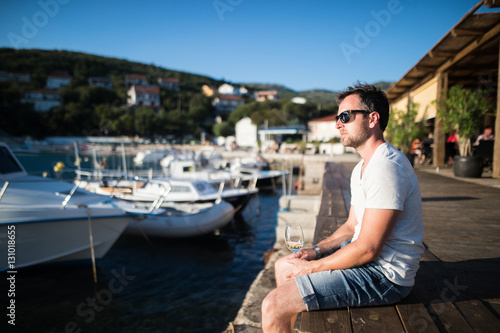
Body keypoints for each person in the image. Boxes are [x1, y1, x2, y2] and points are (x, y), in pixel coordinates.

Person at [261, 83, 424, 333]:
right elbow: (351, 226)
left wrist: (312, 268)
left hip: (386, 276)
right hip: (367, 261)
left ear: (372, 119)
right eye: (338, 118)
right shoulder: (362, 168)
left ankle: (283, 312)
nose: (338, 124)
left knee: (273, 304)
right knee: (283, 266)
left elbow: (368, 248)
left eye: (345, 117)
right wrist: (315, 251)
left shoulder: (386, 168)